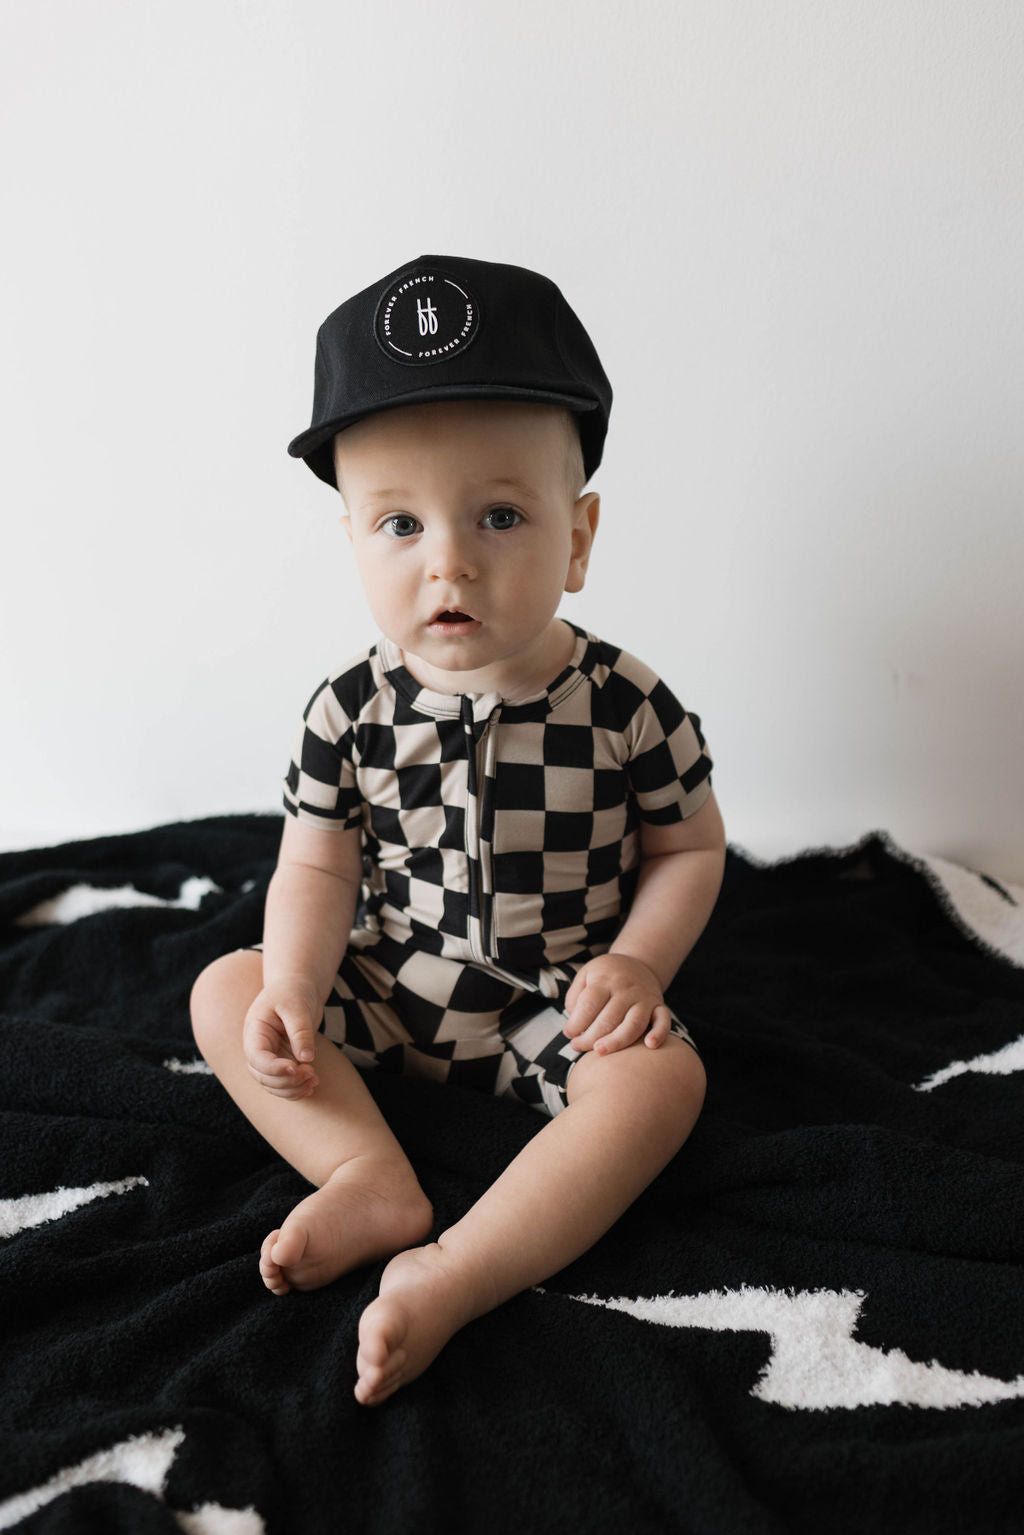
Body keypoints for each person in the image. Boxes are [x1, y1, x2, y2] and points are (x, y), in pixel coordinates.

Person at [190, 254, 726, 1407]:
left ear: (578, 536)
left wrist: (637, 963)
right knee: (224, 994)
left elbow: (689, 848)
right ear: (350, 538)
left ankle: (462, 1267)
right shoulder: (349, 707)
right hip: (390, 983)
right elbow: (316, 861)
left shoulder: (629, 704)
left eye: (499, 513)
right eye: (398, 520)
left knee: (662, 1083)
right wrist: (293, 980)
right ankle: (368, 1175)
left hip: (555, 998)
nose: (450, 559)